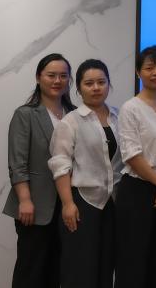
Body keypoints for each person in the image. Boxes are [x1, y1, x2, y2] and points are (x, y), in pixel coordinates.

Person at [49, 59, 123, 288]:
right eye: (89, 83)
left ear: (109, 84)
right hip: (82, 203)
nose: (96, 88)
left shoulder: (119, 117)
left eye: (101, 82)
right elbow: (60, 165)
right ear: (79, 88)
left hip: (113, 203)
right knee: (79, 270)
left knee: (106, 267)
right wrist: (67, 204)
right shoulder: (70, 122)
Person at [4, 53, 75, 288]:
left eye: (63, 76)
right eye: (51, 75)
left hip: (69, 204)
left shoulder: (76, 114)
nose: (57, 81)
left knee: (58, 271)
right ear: (38, 77)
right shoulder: (25, 114)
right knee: (31, 271)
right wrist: (25, 199)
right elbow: (18, 163)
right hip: (35, 206)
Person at [115, 45, 156, 288]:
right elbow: (132, 155)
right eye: (150, 67)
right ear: (138, 72)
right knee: (132, 259)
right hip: (137, 189)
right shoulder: (130, 108)